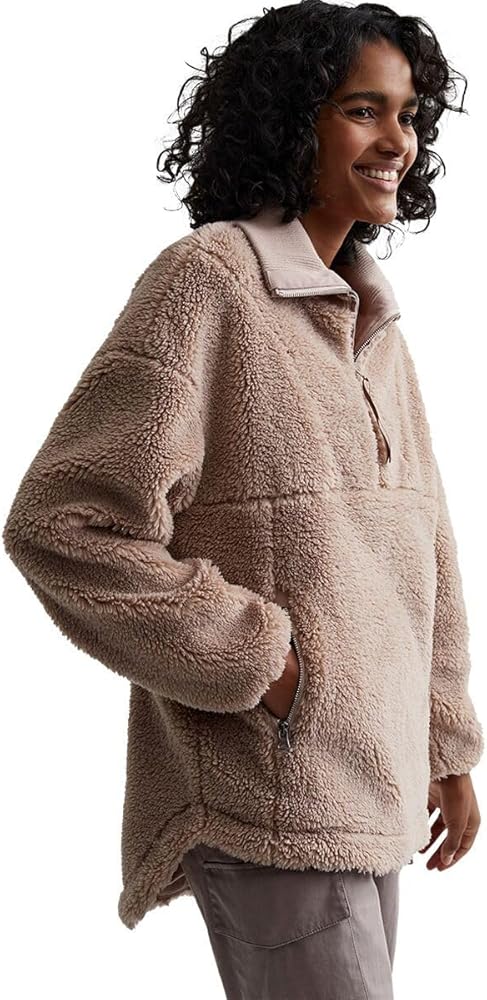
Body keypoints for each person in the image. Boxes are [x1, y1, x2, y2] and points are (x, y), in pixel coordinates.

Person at [3, 3, 483, 998]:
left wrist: (445, 741)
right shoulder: (209, 282)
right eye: (363, 110)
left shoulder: (373, 321)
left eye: (408, 114)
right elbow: (63, 522)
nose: (397, 141)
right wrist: (261, 663)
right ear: (289, 120)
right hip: (271, 783)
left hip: (374, 782)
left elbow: (423, 546)